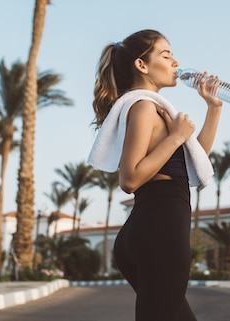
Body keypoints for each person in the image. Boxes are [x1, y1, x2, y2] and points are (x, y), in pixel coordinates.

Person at [87, 29, 222, 321]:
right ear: (142, 65)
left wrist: (213, 108)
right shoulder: (144, 106)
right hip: (159, 228)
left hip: (153, 227)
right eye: (166, 54)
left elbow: (191, 161)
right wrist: (176, 138)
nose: (175, 62)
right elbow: (130, 179)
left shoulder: (155, 109)